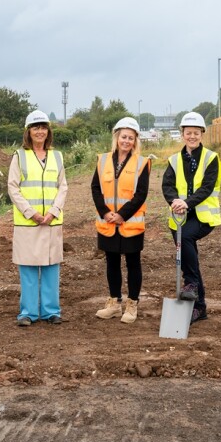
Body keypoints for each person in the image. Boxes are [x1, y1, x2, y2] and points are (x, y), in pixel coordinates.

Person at [7, 110, 68, 326]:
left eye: (43, 127)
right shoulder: (19, 156)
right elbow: (13, 188)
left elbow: (63, 187)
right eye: (36, 127)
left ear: (48, 131)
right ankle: (28, 312)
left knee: (52, 267)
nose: (40, 131)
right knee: (29, 268)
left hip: (51, 222)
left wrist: (53, 211)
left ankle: (52, 310)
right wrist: (30, 212)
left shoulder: (57, 156)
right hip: (28, 223)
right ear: (28, 131)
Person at [161, 111, 221, 324]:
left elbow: (207, 187)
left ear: (202, 134)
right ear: (183, 134)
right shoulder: (174, 160)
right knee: (191, 259)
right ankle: (200, 307)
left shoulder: (211, 158)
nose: (192, 136)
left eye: (196, 133)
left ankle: (191, 284)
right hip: (179, 217)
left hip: (203, 217)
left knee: (186, 239)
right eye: (188, 133)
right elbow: (167, 185)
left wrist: (187, 202)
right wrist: (175, 202)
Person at [91, 117, 150, 324]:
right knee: (112, 262)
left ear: (135, 141)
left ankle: (132, 304)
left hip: (130, 222)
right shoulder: (103, 160)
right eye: (124, 137)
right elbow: (96, 188)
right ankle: (114, 303)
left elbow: (141, 194)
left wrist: (121, 215)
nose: (127, 141)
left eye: (131, 138)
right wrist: (106, 212)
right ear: (117, 137)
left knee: (133, 263)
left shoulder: (142, 163)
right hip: (107, 222)